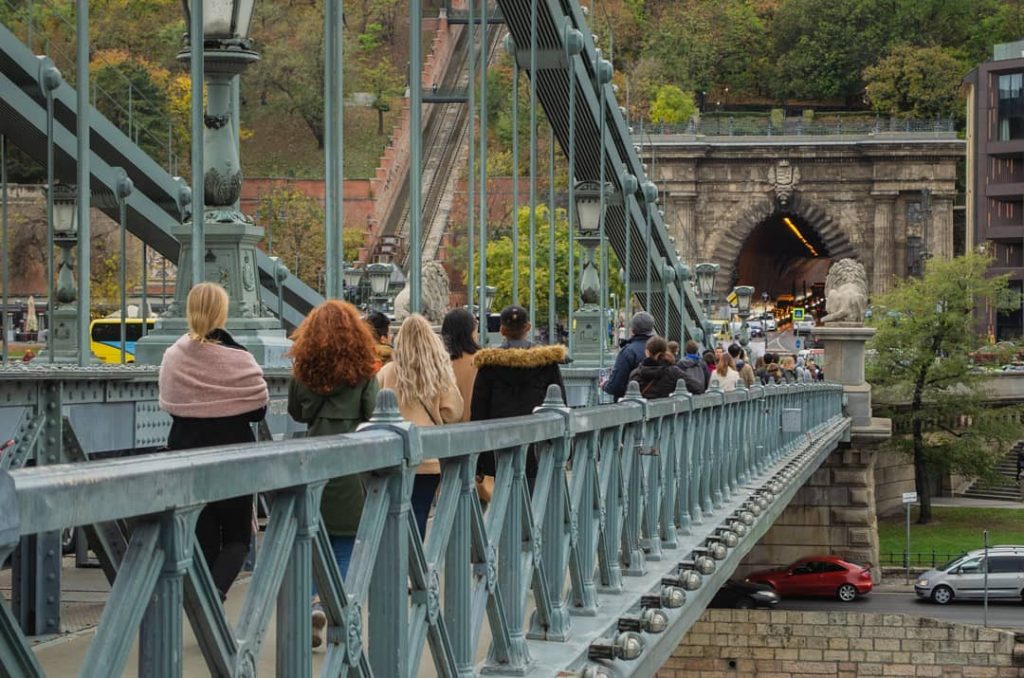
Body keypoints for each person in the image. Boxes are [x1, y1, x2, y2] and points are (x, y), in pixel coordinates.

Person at [158, 282, 268, 603]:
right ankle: (213, 597)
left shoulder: (173, 356)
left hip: (186, 455)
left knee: (201, 538)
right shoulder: (239, 357)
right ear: (223, 311)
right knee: (237, 538)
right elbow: (258, 411)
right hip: (233, 456)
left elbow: (169, 402)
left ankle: (204, 605)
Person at [287, 299, 379, 648]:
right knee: (344, 542)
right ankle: (328, 603)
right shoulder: (365, 370)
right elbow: (373, 413)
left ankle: (312, 599)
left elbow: (297, 413)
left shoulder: (303, 370)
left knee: (314, 536)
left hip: (313, 461)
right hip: (352, 461)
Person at [378, 314, 463, 536]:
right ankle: (414, 565)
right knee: (419, 511)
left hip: (393, 454)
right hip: (428, 455)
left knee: (391, 512)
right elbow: (454, 411)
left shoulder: (387, 372)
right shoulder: (439, 374)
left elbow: (373, 408)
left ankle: (395, 561)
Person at [471, 305, 567, 481]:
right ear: (528, 327)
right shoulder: (547, 364)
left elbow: (478, 411)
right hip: (538, 449)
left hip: (499, 448)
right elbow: (561, 407)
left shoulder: (488, 365)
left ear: (501, 330)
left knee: (503, 502)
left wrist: (479, 460)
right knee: (535, 502)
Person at [602, 312, 655, 401]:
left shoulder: (628, 351)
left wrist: (605, 385)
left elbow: (616, 386)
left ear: (632, 330)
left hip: (632, 405)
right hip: (660, 406)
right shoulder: (662, 349)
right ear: (651, 328)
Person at [441, 308, 479, 423]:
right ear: (471, 332)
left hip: (448, 432)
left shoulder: (439, 364)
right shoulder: (482, 361)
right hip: (479, 428)